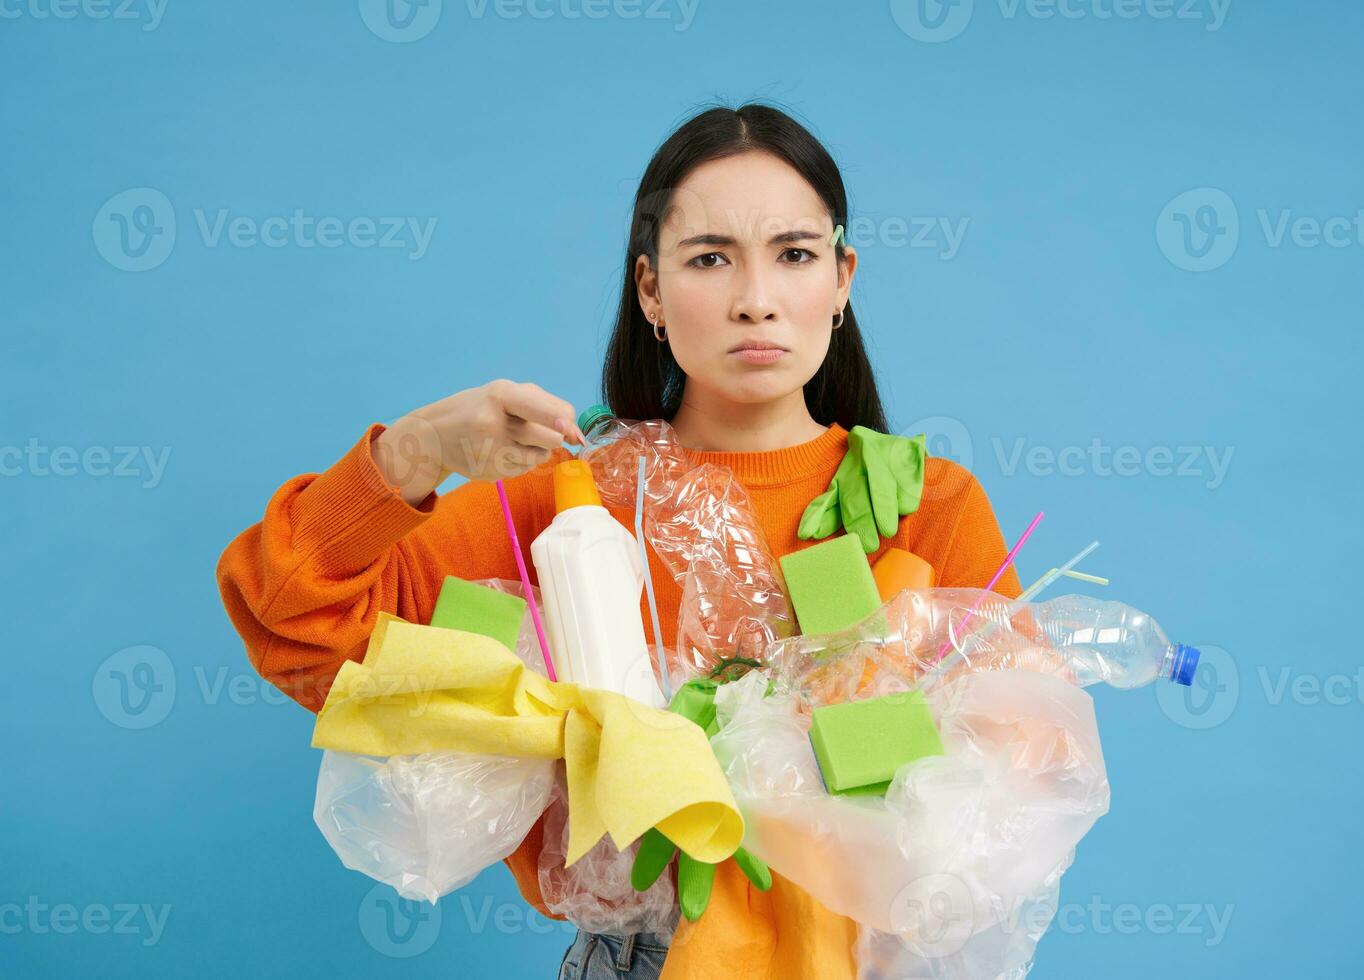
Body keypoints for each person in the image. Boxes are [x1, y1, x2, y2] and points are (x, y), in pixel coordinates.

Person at [217, 101, 1021, 979]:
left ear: (841, 279)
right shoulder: (570, 509)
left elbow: (1018, 763)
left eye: (794, 255)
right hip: (640, 954)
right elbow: (292, 623)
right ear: (650, 291)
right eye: (711, 259)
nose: (756, 301)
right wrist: (421, 449)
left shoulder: (925, 507)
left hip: (865, 952)